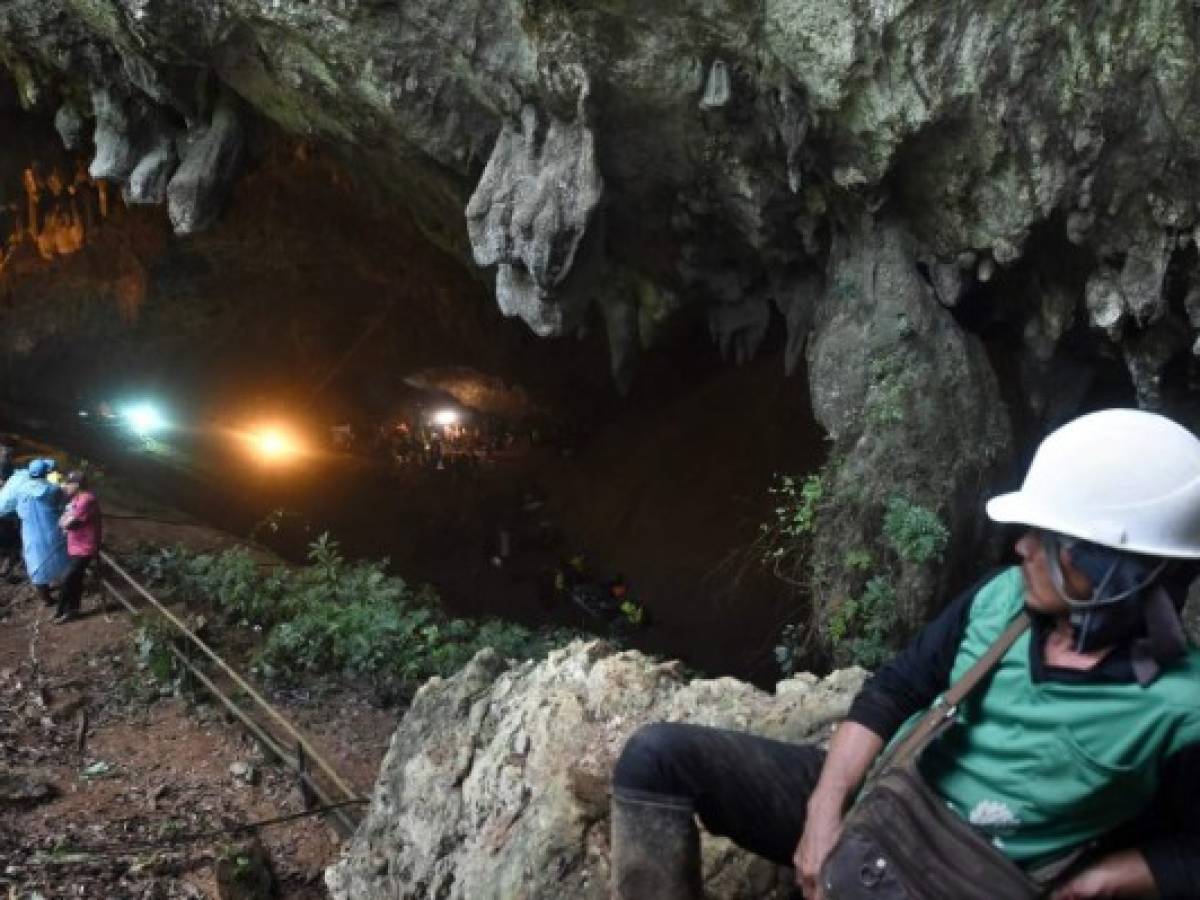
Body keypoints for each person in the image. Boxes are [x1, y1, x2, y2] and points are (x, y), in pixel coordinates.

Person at [610, 409, 1200, 900]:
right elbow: (895, 689)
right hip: (887, 796)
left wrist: (1098, 882)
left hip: (966, 875)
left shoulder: (1181, 709)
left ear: (1111, 571)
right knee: (656, 759)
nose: (1021, 546)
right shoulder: (1003, 601)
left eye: (1048, 540)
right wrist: (823, 812)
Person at [0, 458, 69, 607]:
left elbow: (12, 507)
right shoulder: (53, 489)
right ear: (46, 472)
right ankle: (64, 589)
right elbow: (62, 506)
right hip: (51, 530)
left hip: (30, 532)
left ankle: (46, 599)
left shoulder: (20, 489)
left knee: (35, 562)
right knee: (59, 559)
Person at [55, 470, 101, 624]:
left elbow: (72, 524)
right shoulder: (76, 498)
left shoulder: (86, 500)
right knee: (75, 578)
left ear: (77, 485)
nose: (65, 486)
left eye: (68, 483)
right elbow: (62, 519)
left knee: (67, 578)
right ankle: (71, 610)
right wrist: (64, 521)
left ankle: (62, 610)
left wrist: (65, 522)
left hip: (85, 547)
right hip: (75, 545)